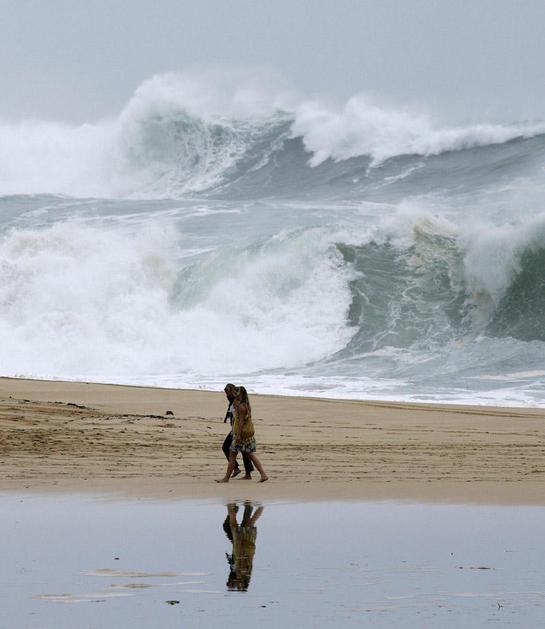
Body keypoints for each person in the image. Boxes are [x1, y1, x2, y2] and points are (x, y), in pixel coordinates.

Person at [216, 386, 268, 483]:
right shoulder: (244, 404)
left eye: (236, 393)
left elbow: (240, 422)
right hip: (247, 435)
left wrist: (238, 435)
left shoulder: (241, 407)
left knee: (232, 456)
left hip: (241, 434)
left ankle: (226, 478)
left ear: (239, 394)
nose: (234, 394)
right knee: (250, 455)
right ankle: (263, 474)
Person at [223, 502, 263, 591]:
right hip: (241, 545)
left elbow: (237, 559)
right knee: (246, 524)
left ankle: (251, 507)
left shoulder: (242, 573)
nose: (229, 582)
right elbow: (240, 558)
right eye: (231, 583)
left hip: (242, 546)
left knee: (247, 523)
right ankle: (255, 506)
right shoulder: (240, 573)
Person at [222, 383, 254, 479]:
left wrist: (238, 434)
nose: (226, 395)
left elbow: (240, 419)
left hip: (239, 431)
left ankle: (237, 470)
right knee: (245, 452)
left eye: (227, 392)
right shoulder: (234, 401)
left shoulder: (237, 402)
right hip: (235, 430)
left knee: (227, 447)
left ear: (232, 392)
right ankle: (246, 472)